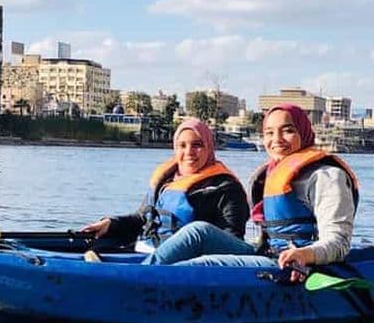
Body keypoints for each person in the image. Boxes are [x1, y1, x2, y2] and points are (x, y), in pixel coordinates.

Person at [147, 103, 359, 280]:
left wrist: (305, 255)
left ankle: (141, 282)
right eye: (269, 133)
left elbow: (339, 243)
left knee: (203, 264)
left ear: (302, 132)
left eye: (288, 130)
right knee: (198, 231)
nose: (277, 139)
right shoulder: (270, 173)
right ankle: (139, 273)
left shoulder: (326, 176)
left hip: (297, 263)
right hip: (267, 253)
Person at [80, 118, 249, 260]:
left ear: (209, 147)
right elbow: (142, 219)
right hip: (147, 248)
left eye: (197, 145)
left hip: (186, 264)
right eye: (182, 146)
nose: (189, 152)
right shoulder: (165, 181)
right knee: (97, 244)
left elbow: (230, 240)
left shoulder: (226, 188)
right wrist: (110, 223)